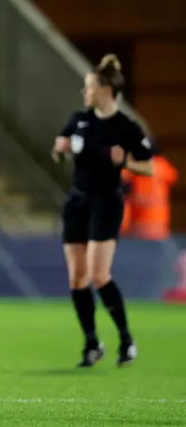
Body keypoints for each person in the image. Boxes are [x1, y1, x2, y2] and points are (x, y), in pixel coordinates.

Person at [52, 54, 153, 368]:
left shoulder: (126, 127)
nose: (85, 93)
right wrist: (60, 150)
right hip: (77, 202)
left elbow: (148, 167)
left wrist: (124, 162)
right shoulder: (79, 119)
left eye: (89, 87)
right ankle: (92, 343)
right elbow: (57, 151)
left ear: (106, 89)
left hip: (106, 202)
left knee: (98, 274)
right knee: (77, 278)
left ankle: (126, 338)